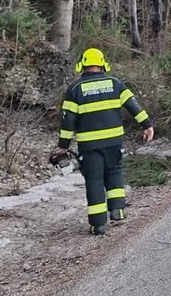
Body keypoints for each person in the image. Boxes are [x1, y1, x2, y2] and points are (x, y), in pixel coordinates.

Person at [52, 47, 154, 236]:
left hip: (89, 146)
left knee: (94, 180)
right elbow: (133, 105)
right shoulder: (115, 84)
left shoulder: (75, 89)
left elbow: (68, 122)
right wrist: (147, 125)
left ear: (82, 64)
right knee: (114, 172)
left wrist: (63, 146)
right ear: (102, 64)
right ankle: (118, 211)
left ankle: (98, 224)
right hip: (113, 142)